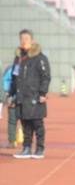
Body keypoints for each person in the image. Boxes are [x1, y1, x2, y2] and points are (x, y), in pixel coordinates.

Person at [10, 29, 51, 159]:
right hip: (21, 96)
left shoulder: (40, 58)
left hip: (35, 96)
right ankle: (26, 148)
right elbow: (14, 77)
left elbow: (46, 77)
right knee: (25, 123)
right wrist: (11, 94)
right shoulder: (18, 58)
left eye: (26, 39)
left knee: (37, 123)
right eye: (21, 39)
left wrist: (43, 93)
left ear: (32, 41)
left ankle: (39, 149)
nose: (23, 41)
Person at [2, 55, 19, 149]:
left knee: (27, 120)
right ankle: (12, 140)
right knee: (12, 120)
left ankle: (26, 142)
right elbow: (5, 82)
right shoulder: (11, 69)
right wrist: (8, 94)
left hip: (24, 98)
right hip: (13, 97)